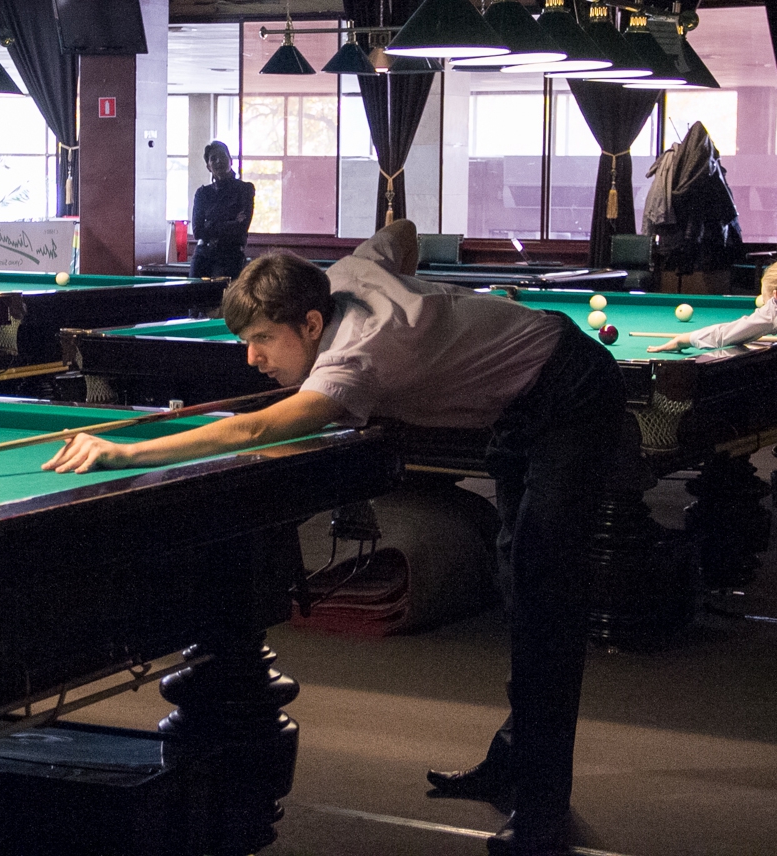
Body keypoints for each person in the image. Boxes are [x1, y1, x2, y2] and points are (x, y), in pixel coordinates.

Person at [44, 220, 627, 856]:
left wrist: (128, 453)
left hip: (572, 391)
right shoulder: (341, 277)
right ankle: (513, 761)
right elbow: (400, 233)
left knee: (545, 594)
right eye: (245, 340)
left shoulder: (358, 352)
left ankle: (542, 809)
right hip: (517, 400)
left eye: (263, 339)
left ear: (313, 324)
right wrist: (417, 304)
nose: (252, 358)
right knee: (518, 576)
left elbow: (255, 430)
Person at [647, 263, 777, 353]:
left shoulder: (772, 312)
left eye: (766, 301)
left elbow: (725, 335)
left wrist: (682, 340)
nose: (765, 305)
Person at [189, 141, 254, 280]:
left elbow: (241, 227)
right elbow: (197, 231)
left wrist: (210, 224)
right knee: (192, 290)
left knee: (222, 291)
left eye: (222, 156)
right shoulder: (202, 193)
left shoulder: (244, 190)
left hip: (230, 256)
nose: (218, 161)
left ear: (231, 160)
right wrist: (231, 221)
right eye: (213, 159)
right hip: (202, 255)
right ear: (208, 166)